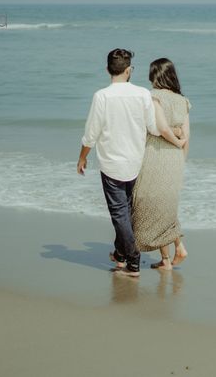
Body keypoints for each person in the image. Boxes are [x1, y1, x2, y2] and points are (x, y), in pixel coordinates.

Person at [77, 48, 186, 277]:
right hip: (136, 162)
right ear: (129, 70)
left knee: (119, 213)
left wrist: (83, 156)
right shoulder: (142, 94)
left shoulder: (102, 96)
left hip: (111, 165)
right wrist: (176, 133)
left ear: (108, 70)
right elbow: (154, 128)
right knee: (125, 210)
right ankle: (121, 253)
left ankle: (132, 260)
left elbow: (91, 133)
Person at [132, 57, 191, 270]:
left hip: (156, 156)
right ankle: (166, 259)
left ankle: (178, 248)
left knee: (145, 203)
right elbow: (187, 135)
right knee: (164, 206)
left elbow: (162, 128)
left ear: (154, 75)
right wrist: (181, 161)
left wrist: (174, 138)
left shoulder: (153, 96)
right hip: (175, 159)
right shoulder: (182, 100)